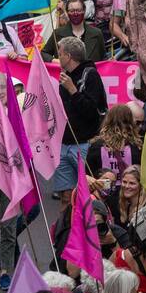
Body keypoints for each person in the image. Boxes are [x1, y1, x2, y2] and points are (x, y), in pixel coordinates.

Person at [53, 36, 108, 206]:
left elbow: (92, 111)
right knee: (66, 197)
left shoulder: (91, 76)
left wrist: (73, 91)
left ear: (68, 56)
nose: (57, 57)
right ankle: (66, 231)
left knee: (89, 196)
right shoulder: (64, 77)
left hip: (83, 146)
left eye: (60, 53)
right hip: (63, 145)